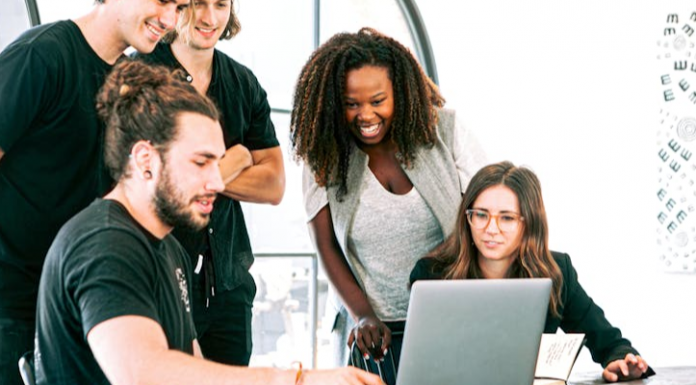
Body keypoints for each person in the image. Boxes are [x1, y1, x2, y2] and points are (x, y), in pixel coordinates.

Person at [34, 59, 382, 385]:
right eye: (201, 163)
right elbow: (145, 374)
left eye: (218, 164)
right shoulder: (105, 244)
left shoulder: (169, 250)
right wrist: (297, 379)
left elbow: (193, 365)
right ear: (145, 160)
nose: (218, 182)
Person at [0, 0, 189, 382]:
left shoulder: (131, 82)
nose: (170, 21)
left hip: (81, 307)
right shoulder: (42, 56)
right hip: (13, 311)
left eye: (180, 6)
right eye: (163, 1)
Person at [290, 27, 487, 368]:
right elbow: (326, 246)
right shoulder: (323, 152)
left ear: (401, 92)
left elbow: (486, 216)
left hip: (449, 318)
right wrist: (363, 315)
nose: (365, 115)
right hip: (371, 332)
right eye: (352, 104)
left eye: (378, 101)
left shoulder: (446, 131)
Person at [133, 0, 285, 365]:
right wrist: (236, 159)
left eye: (221, 4)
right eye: (198, 3)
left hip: (229, 288)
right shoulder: (138, 75)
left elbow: (274, 185)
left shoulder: (243, 83)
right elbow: (145, 177)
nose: (209, 17)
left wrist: (195, 175)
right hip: (158, 282)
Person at [409, 161, 655, 383]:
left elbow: (609, 342)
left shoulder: (557, 273)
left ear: (529, 223)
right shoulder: (432, 274)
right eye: (481, 215)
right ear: (467, 218)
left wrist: (622, 360)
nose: (491, 229)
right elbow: (420, 364)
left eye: (506, 218)